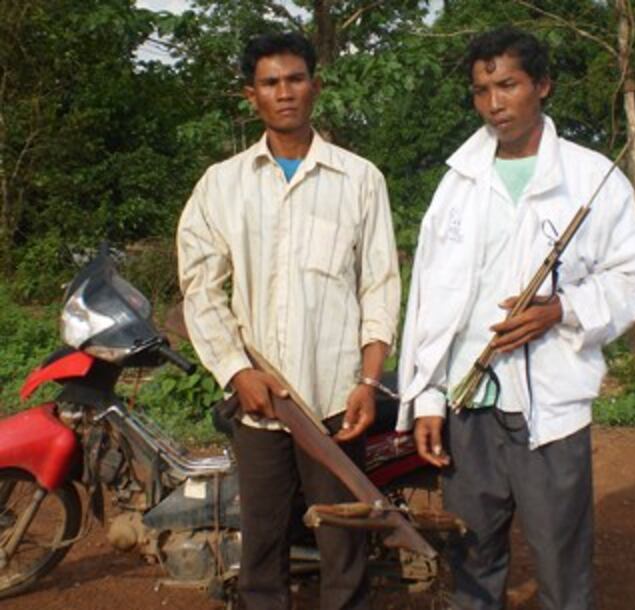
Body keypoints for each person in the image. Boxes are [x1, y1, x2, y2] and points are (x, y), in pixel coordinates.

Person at [397, 26, 635, 610]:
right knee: (471, 554)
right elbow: (428, 302)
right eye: (481, 89)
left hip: (550, 407)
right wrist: (431, 399)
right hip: (470, 408)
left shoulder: (593, 178)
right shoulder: (457, 185)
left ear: (542, 86)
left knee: (561, 561)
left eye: (509, 84)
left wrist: (561, 311)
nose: (494, 103)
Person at [177, 32, 400, 610]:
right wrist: (235, 372)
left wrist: (369, 383)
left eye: (296, 79)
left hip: (335, 404)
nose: (285, 93)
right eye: (271, 83)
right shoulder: (222, 185)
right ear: (252, 95)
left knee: (344, 545)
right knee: (263, 547)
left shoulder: (359, 180)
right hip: (261, 404)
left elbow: (379, 287)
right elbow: (201, 289)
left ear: (315, 86)